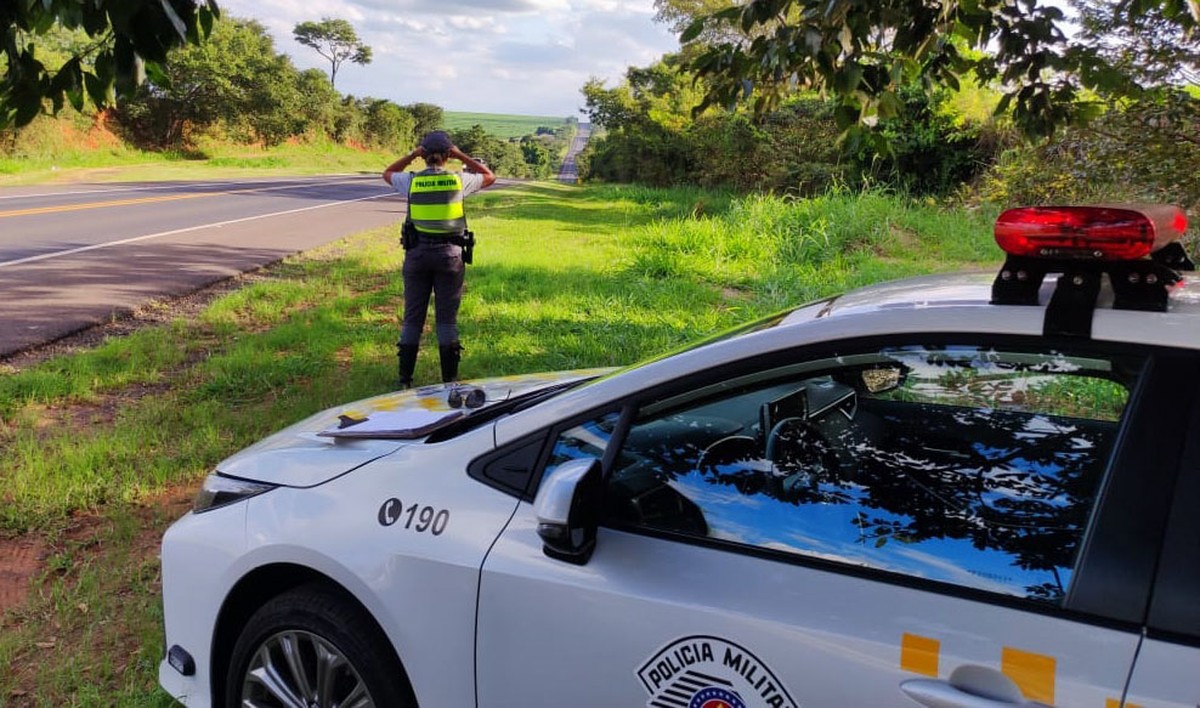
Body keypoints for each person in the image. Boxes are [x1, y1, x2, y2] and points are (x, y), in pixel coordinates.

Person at [383, 131, 496, 388]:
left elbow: (387, 173)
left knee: (413, 317)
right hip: (450, 257)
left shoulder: (410, 181)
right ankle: (450, 381)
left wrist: (411, 154)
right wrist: (460, 154)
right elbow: (489, 176)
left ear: (423, 155)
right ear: (448, 155)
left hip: (417, 256)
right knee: (446, 319)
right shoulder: (458, 180)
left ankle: (404, 381)